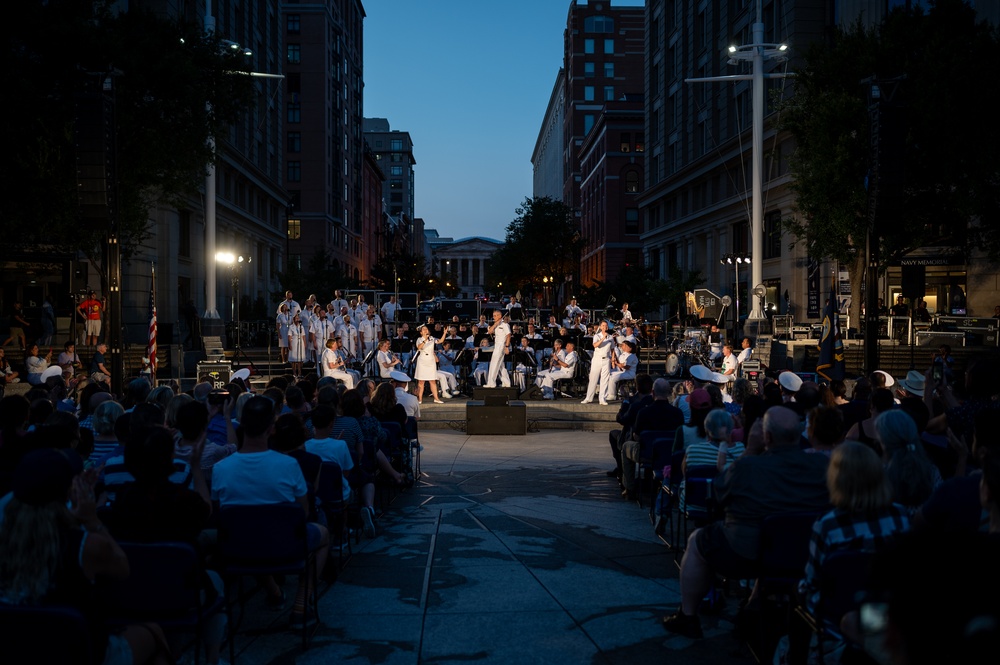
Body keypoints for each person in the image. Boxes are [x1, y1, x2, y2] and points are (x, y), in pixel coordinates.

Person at [662, 406, 830, 638]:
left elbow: (717, 495)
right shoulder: (823, 466)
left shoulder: (748, 466)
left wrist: (751, 449)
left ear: (767, 437)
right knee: (775, 543)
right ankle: (754, 605)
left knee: (697, 540)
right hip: (804, 551)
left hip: (746, 552)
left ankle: (688, 615)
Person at [0, 448, 172, 665]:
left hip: (15, 650)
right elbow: (122, 567)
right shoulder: (86, 546)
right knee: (153, 632)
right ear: (66, 493)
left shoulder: (8, 538)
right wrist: (92, 520)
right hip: (78, 652)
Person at [211, 396, 329, 628]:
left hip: (238, 547)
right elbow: (303, 513)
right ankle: (301, 603)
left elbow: (218, 515)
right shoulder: (288, 465)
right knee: (323, 535)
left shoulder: (221, 468)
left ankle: (274, 592)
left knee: (250, 532)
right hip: (284, 545)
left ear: (241, 424)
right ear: (271, 428)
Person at [582, 320, 614, 405]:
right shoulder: (597, 336)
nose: (605, 327)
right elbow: (595, 345)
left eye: (606, 326)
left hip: (606, 359)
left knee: (605, 379)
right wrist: (603, 338)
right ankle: (589, 398)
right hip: (597, 359)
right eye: (603, 326)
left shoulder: (611, 337)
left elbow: (612, 349)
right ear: (600, 327)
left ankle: (602, 398)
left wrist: (613, 359)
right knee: (593, 379)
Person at [414, 324, 447, 404]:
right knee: (421, 381)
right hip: (422, 361)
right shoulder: (419, 339)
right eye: (424, 329)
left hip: (431, 360)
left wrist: (445, 333)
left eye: (426, 329)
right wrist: (425, 340)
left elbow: (440, 341)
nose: (426, 330)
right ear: (421, 332)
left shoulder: (432, 338)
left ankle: (436, 398)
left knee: (432, 380)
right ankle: (420, 399)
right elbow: (419, 347)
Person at [485, 310, 512, 389]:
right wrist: (495, 324)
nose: (494, 317)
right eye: (493, 315)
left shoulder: (505, 325)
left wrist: (506, 347)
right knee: (500, 366)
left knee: (494, 364)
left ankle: (491, 383)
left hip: (501, 346)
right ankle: (506, 382)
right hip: (496, 346)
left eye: (495, 315)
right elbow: (489, 332)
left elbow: (508, 335)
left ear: (500, 316)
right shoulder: (496, 325)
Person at [605, 338, 638, 403]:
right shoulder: (623, 354)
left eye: (625, 346)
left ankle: (612, 395)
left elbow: (626, 367)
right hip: (621, 371)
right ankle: (606, 392)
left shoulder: (632, 356)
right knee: (607, 373)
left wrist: (617, 364)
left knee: (613, 378)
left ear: (630, 348)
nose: (622, 347)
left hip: (629, 373)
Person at [287, 313, 307, 379]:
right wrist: (289, 344)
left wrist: (305, 343)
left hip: (300, 342)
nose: (297, 319)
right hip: (294, 342)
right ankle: (294, 373)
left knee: (300, 359)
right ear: (293, 319)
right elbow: (289, 336)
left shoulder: (301, 326)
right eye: (296, 318)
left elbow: (303, 336)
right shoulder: (291, 327)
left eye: (298, 318)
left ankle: (300, 373)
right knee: (294, 359)